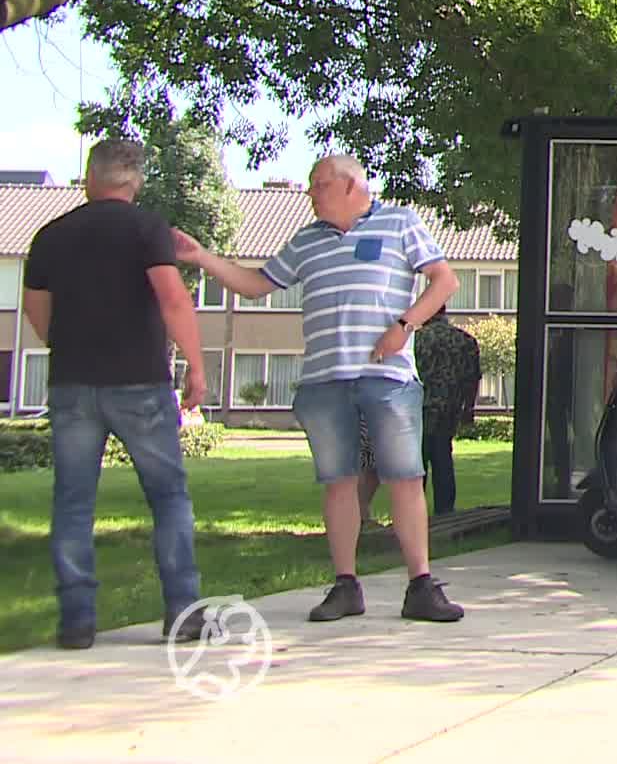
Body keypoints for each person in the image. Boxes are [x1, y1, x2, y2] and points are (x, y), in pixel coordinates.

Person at [175, 154, 465, 623]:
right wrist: (202, 258)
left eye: (319, 185)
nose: (310, 194)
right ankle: (345, 586)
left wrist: (404, 325)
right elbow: (255, 285)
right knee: (338, 481)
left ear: (351, 185)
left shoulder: (399, 222)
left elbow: (444, 280)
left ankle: (421, 586)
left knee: (405, 477)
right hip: (325, 378)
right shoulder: (306, 240)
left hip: (387, 377)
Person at [24, 139, 209, 649]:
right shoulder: (147, 229)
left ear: (90, 178)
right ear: (135, 180)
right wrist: (196, 365)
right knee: (168, 495)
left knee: (74, 500)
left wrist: (62, 343)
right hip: (140, 382)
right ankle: (182, 610)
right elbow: (172, 298)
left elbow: (37, 309)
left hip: (73, 382)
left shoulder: (50, 236)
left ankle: (77, 619)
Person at [416, 308, 482, 516]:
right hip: (449, 408)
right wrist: (468, 409)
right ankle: (445, 510)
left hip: (419, 408)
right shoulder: (465, 340)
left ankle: (414, 511)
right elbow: (473, 378)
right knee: (443, 456)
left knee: (418, 461)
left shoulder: (417, 340)